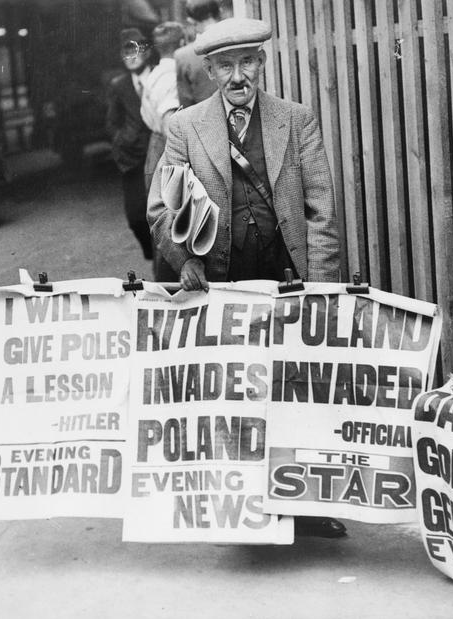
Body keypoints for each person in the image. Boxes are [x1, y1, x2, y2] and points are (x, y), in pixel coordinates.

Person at [146, 18, 344, 538]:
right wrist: (185, 259)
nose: (239, 76)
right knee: (235, 396)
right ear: (210, 71)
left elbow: (321, 212)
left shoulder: (295, 121)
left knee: (296, 392)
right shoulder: (185, 127)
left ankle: (307, 504)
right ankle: (242, 508)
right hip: (224, 286)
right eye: (227, 66)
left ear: (262, 64)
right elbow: (160, 212)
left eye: (248, 62)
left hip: (287, 279)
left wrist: (318, 287)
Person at [140, 21, 187, 279]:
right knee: (168, 225)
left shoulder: (155, 72)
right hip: (165, 149)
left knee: (163, 226)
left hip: (154, 145)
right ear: (181, 43)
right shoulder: (170, 76)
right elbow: (171, 123)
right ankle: (169, 292)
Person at [106, 28, 155, 259]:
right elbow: (112, 122)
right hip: (133, 159)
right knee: (136, 217)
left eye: (135, 50)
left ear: (146, 52)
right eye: (126, 52)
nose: (131, 57)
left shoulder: (159, 75)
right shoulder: (119, 84)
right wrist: (123, 139)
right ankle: (151, 253)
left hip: (161, 154)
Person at [174, 0, 233, 108]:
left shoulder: (184, 56)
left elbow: (186, 104)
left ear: (191, 21)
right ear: (220, 12)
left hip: (204, 121)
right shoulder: (236, 41)